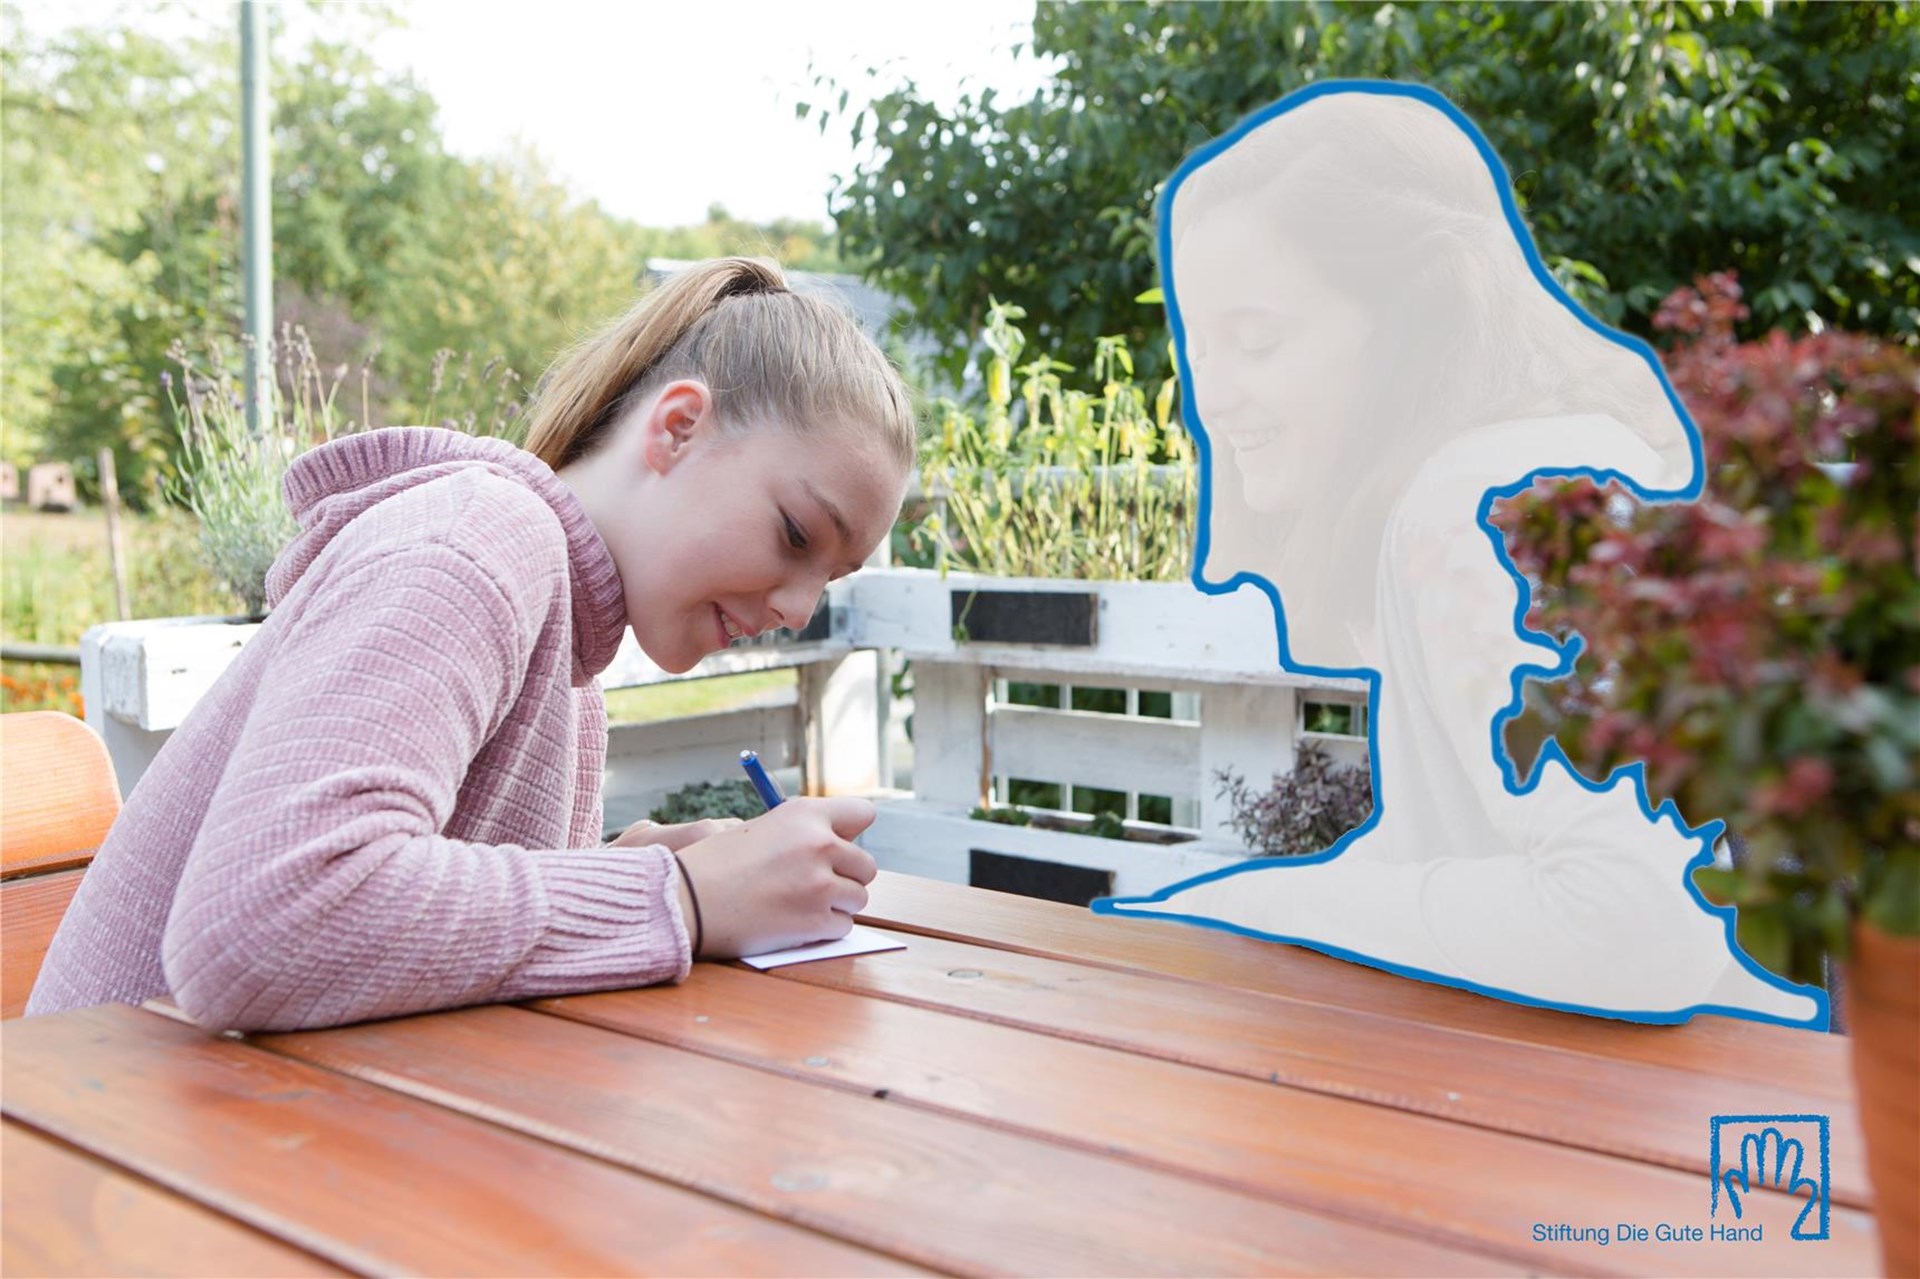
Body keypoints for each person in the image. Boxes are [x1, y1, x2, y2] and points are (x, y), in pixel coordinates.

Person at [28, 257, 915, 1033]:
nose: (800, 609)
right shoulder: (477, 543)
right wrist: (683, 900)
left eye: (829, 581)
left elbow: (406, 901)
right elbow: (261, 920)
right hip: (93, 1174)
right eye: (798, 534)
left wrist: (628, 866)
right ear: (677, 426)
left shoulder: (571, 657)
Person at [1096, 86, 1824, 1026]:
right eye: (1202, 348)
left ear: (1414, 318)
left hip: (1655, 1118)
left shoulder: (1476, 503)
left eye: (1259, 339)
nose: (1214, 398)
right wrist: (1214, 909)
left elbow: (1635, 914)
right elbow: (1459, 851)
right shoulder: (1545, 468)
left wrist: (1261, 905)